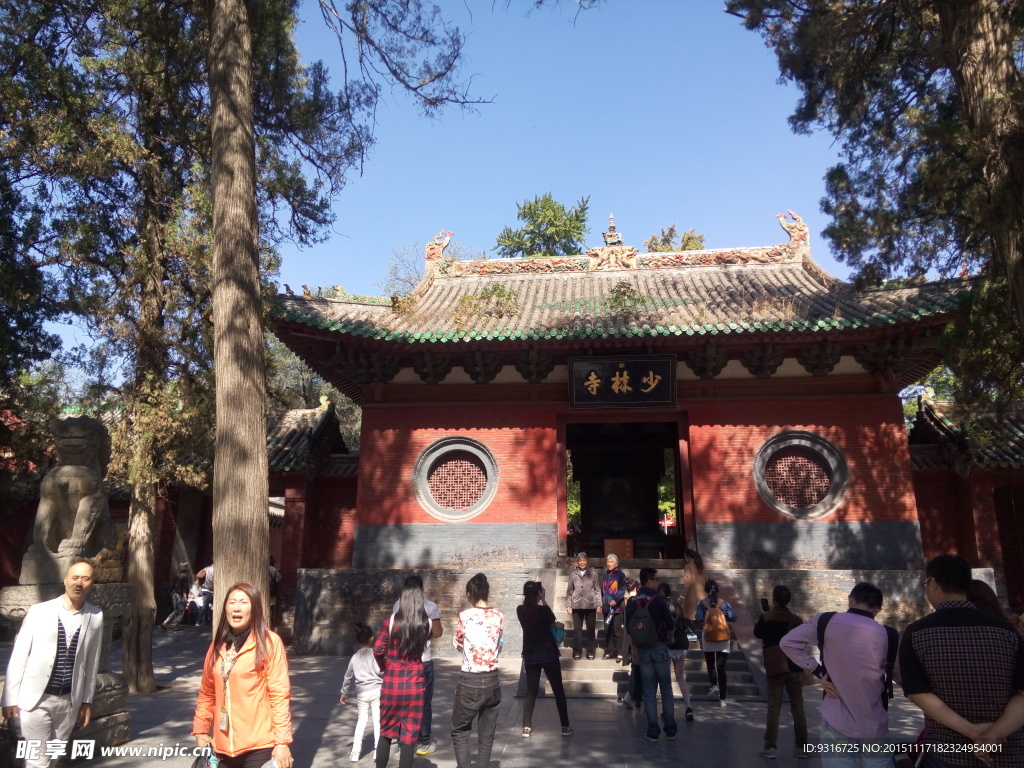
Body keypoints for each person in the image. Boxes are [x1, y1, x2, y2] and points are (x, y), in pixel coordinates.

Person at [901, 554, 1024, 767]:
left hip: (948, 751)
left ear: (932, 583)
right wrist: (994, 734)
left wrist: (972, 731)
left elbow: (918, 692)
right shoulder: (1007, 632)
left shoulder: (917, 633)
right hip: (1007, 751)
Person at [2, 560, 104, 768]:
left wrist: (86, 701)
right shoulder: (40, 611)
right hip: (36, 700)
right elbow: (20, 654)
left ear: (92, 583)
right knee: (37, 762)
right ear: (65, 580)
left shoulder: (96, 616)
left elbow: (92, 663)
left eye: (85, 579)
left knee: (53, 759)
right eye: (74, 578)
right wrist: (9, 698)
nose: (79, 583)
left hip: (68, 702)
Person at [781, 582, 893, 767]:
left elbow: (787, 642)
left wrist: (819, 671)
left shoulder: (825, 622)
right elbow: (900, 675)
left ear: (850, 600)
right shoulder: (889, 635)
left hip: (836, 720)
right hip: (874, 724)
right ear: (878, 609)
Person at [192, 582, 293, 768]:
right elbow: (207, 692)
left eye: (243, 602)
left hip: (258, 745)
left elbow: (279, 695)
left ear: (254, 608)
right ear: (225, 608)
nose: (237, 608)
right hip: (220, 746)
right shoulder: (217, 645)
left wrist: (282, 743)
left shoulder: (269, 642)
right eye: (232, 602)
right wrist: (200, 731)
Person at [373, 579, 431, 768]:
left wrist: (385, 666)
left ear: (402, 599)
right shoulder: (426, 623)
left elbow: (377, 650)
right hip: (415, 685)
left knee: (386, 733)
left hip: (392, 683)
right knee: (409, 737)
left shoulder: (390, 622)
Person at [451, 573, 503, 768]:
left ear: (468, 594)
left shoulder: (465, 616)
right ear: (487, 592)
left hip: (469, 680)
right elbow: (499, 645)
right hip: (492, 679)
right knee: (487, 735)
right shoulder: (498, 615)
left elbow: (457, 643)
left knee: (460, 730)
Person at [754, 584, 808, 759]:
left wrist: (764, 614)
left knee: (774, 706)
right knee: (798, 707)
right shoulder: (797, 620)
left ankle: (770, 746)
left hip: (775, 667)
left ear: (774, 599)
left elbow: (757, 633)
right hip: (794, 667)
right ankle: (802, 747)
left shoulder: (767, 616)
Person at [391, 574, 443, 755]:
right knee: (424, 703)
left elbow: (395, 632)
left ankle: (402, 744)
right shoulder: (430, 606)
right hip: (424, 661)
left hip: (403, 660)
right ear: (422, 589)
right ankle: (423, 742)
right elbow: (437, 633)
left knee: (403, 702)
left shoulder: (398, 605)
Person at [625, 567, 678, 742]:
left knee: (648, 691)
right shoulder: (658, 600)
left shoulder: (632, 602)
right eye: (656, 579)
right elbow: (670, 624)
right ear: (649, 581)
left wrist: (634, 649)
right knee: (666, 689)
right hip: (660, 647)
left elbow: (629, 628)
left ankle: (653, 730)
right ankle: (670, 729)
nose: (657, 582)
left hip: (643, 650)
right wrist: (669, 637)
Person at [517, 581, 572, 737]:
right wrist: (543, 600)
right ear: (538, 594)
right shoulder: (545, 610)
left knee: (531, 691)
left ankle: (526, 727)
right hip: (549, 654)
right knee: (558, 690)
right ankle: (565, 726)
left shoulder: (520, 610)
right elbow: (552, 620)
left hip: (531, 655)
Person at [340, 622, 383, 762]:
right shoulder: (374, 655)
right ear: (372, 638)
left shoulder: (354, 657)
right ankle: (378, 750)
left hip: (361, 693)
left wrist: (344, 693)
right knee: (378, 721)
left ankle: (355, 752)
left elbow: (347, 676)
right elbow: (379, 670)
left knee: (361, 720)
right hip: (377, 690)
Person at [696, 579, 737, 706]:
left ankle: (714, 686)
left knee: (710, 664)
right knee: (721, 667)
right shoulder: (724, 604)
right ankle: (723, 699)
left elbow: (697, 617)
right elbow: (734, 617)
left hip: (708, 636)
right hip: (722, 637)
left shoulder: (702, 603)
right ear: (717, 590)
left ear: (706, 590)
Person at [658, 582, 694, 722]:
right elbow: (683, 623)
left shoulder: (661, 606)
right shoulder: (677, 604)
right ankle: (688, 707)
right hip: (681, 643)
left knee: (665, 679)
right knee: (680, 677)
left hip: (668, 643)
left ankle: (667, 709)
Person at [565, 552, 600, 661]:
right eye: (580, 560)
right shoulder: (573, 574)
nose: (582, 562)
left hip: (590, 604)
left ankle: (590, 652)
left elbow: (597, 589)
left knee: (590, 629)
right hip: (576, 604)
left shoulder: (593, 573)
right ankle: (577, 652)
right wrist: (568, 605)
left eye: (584, 560)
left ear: (587, 561)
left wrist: (599, 604)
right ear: (578, 561)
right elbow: (570, 590)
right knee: (577, 630)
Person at [619, 578, 643, 710]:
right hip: (639, 637)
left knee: (636, 667)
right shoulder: (637, 601)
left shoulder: (627, 602)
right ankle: (632, 694)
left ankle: (634, 695)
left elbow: (625, 622)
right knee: (637, 668)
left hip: (631, 637)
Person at [601, 554, 626, 660]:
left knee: (617, 631)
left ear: (616, 563)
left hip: (616, 609)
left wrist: (615, 599)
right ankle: (609, 650)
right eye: (608, 562)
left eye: (611, 562)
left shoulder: (620, 575)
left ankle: (619, 651)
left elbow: (622, 589)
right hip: (606, 608)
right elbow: (601, 590)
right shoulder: (605, 575)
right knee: (607, 630)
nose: (609, 564)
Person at [680, 548, 708, 637]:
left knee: (686, 615)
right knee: (702, 615)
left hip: (691, 596)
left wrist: (682, 596)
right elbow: (707, 579)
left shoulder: (688, 567)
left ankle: (692, 633)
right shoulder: (702, 566)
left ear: (688, 557)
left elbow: (687, 583)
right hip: (703, 595)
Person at [161, 563, 191, 631]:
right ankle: (177, 625)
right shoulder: (184, 576)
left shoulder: (176, 576)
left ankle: (165, 623)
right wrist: (185, 596)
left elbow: (172, 586)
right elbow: (184, 588)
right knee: (181, 611)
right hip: (180, 595)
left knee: (175, 610)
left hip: (174, 594)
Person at [196, 560, 214, 626]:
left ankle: (206, 621)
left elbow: (199, 576)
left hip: (204, 588)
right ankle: (198, 621)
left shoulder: (206, 569)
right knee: (205, 606)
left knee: (206, 606)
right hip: (210, 590)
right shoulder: (215, 570)